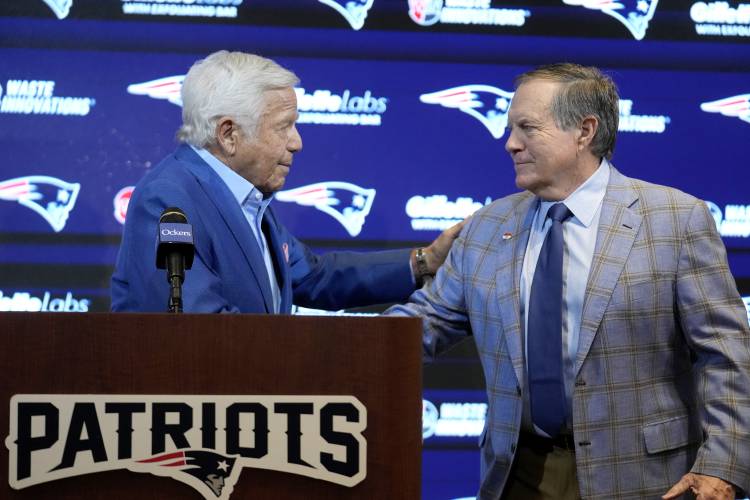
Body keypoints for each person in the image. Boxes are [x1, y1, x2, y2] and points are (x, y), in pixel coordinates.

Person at [388, 63, 750, 499]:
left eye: (527, 128)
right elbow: (418, 326)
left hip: (645, 479)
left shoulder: (675, 220)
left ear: (584, 131)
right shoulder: (486, 227)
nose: (510, 144)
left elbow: (726, 357)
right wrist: (325, 346)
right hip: (517, 476)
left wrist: (722, 464)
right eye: (510, 128)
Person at [111, 51, 460, 313]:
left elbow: (313, 278)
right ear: (229, 134)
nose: (297, 142)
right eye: (283, 126)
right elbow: (200, 328)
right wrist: (316, 356)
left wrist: (424, 262)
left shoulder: (247, 197)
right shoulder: (169, 201)